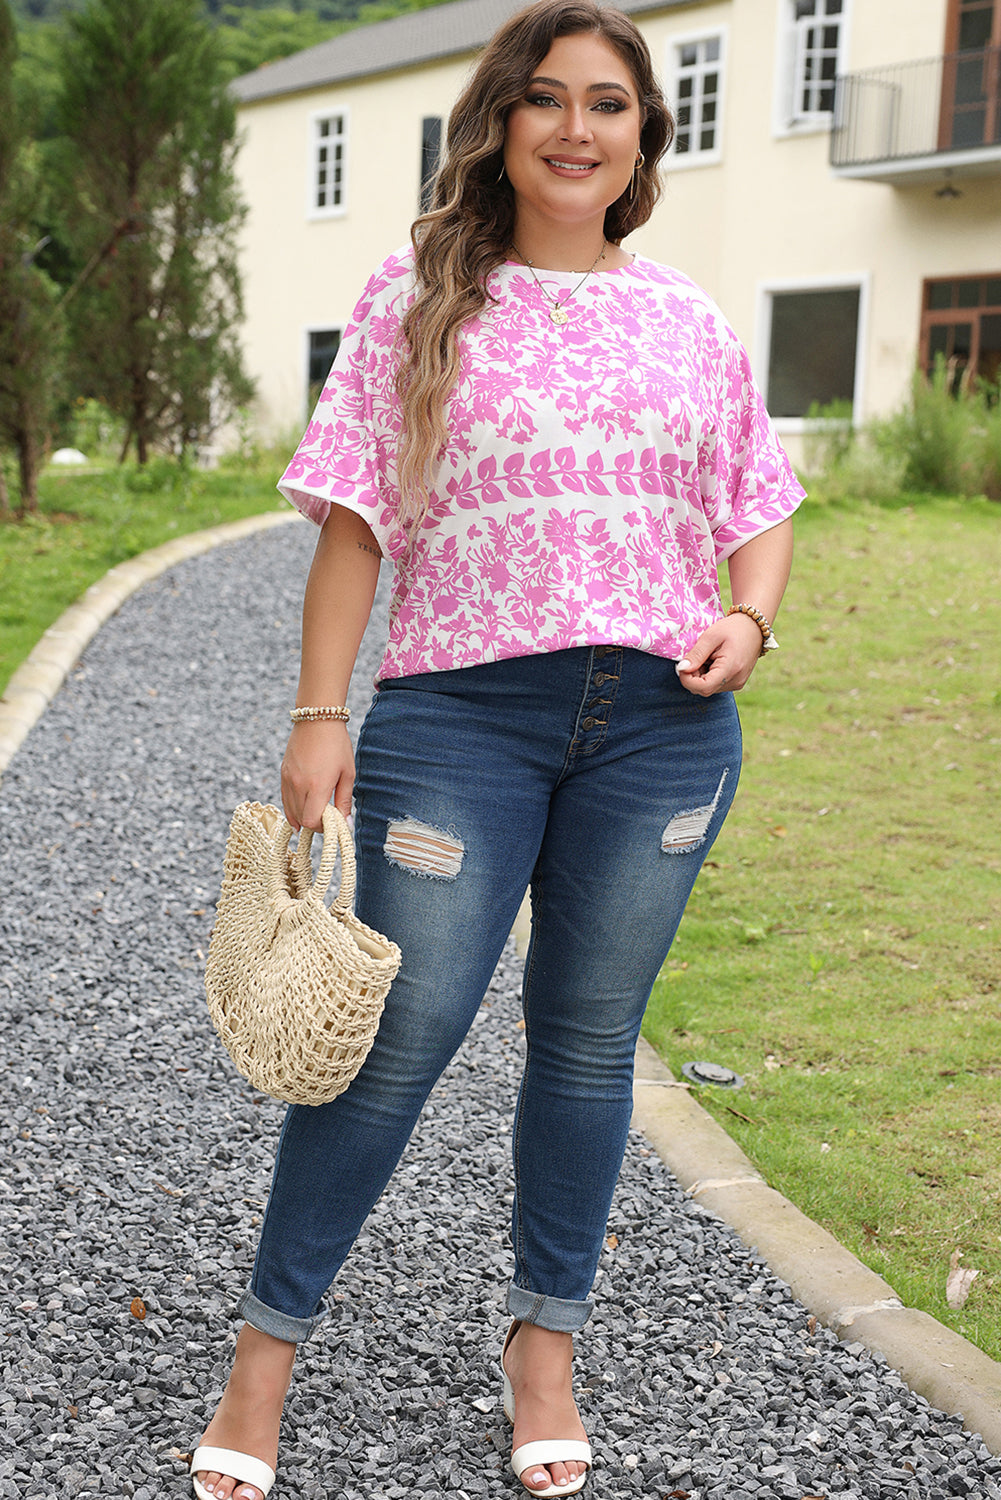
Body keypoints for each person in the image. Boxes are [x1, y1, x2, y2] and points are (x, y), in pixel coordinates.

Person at [190, 2, 803, 1496]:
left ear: (644, 136)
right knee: (394, 1038)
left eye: (609, 103)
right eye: (547, 99)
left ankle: (545, 1348)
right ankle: (263, 1358)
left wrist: (750, 618)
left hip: (662, 732)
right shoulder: (417, 296)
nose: (577, 128)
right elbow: (354, 521)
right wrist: (318, 716)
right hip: (461, 721)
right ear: (500, 123)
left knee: (587, 1045)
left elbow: (759, 497)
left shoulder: (689, 320)